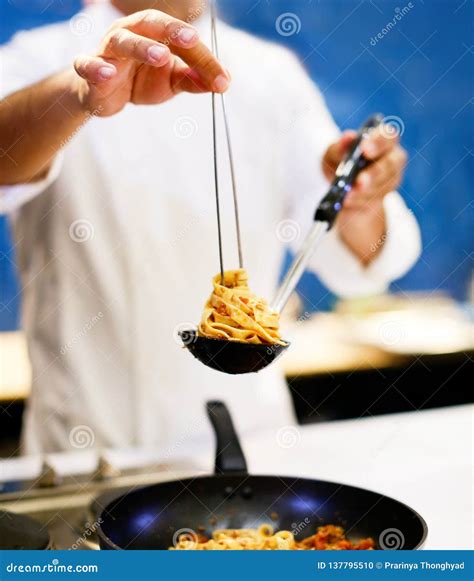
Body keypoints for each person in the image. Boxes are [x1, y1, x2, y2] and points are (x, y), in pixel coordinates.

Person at [0, 0, 421, 455]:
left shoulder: (271, 73)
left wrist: (360, 200)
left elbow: (361, 258)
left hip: (247, 453)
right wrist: (80, 94)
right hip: (82, 450)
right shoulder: (38, 57)